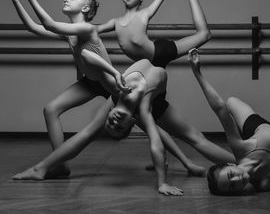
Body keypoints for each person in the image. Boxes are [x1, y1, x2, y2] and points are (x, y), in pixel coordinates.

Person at [9, 0, 204, 178]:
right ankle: (59, 165)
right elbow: (33, 27)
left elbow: (48, 24)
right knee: (51, 110)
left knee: (147, 124)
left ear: (85, 9)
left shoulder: (86, 28)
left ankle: (186, 162)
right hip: (90, 82)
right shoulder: (69, 31)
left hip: (112, 86)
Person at [99, 0, 236, 168]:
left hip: (158, 54)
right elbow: (155, 132)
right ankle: (242, 163)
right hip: (150, 77)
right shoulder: (115, 22)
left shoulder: (143, 14)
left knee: (204, 35)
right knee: (180, 133)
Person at [13, 57, 187, 196]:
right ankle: (41, 168)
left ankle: (40, 168)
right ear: (132, 123)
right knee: (91, 131)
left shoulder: (117, 92)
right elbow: (156, 142)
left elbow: (92, 58)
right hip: (154, 77)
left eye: (112, 123)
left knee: (90, 131)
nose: (115, 121)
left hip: (140, 75)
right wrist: (162, 182)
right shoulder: (142, 108)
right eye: (118, 126)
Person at [187, 48, 270, 195]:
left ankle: (240, 132)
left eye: (230, 175)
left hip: (255, 126)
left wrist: (197, 72)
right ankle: (239, 134)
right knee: (231, 106)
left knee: (231, 102)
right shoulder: (265, 183)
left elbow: (220, 109)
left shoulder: (240, 148)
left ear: (230, 164)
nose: (236, 180)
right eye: (232, 186)